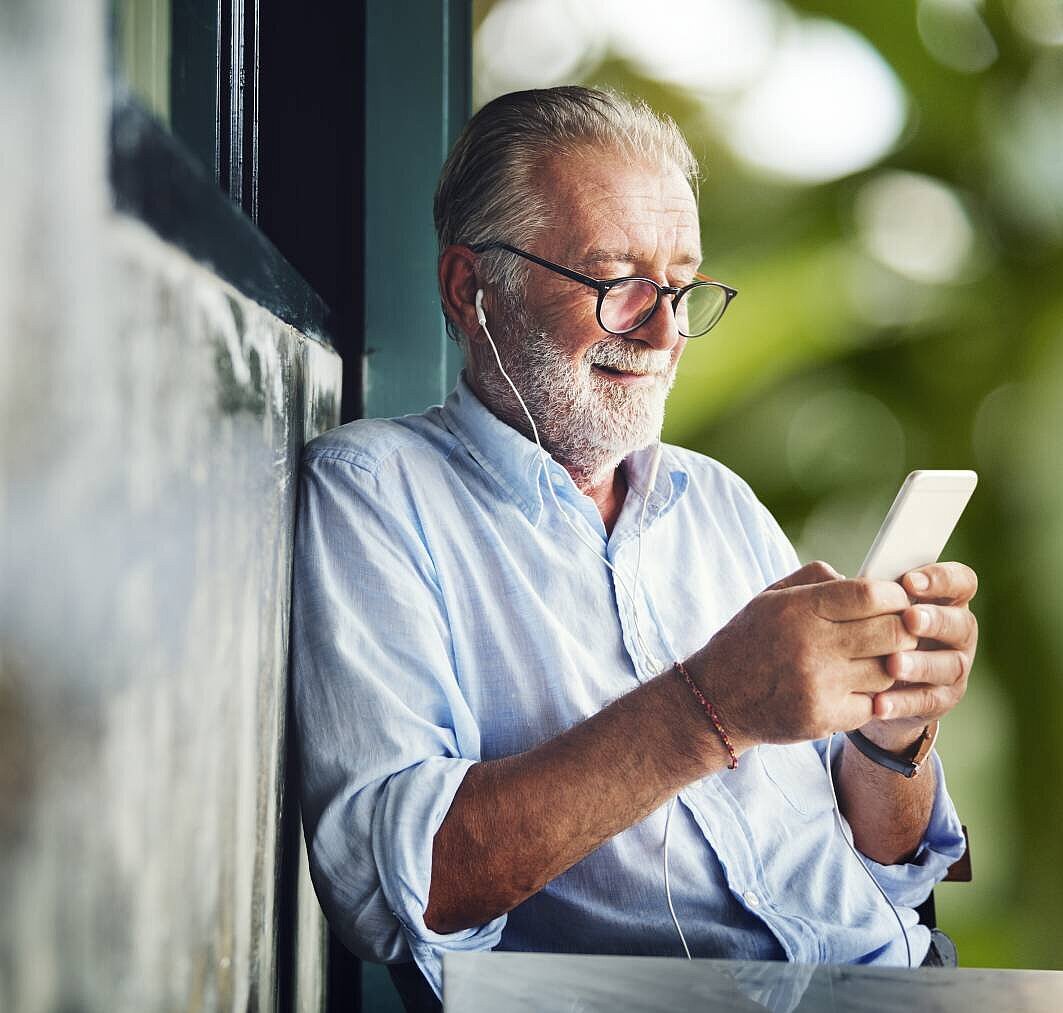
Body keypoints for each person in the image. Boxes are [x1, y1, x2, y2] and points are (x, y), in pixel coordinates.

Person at [290, 87, 974, 1004]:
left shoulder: (715, 499)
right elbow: (391, 893)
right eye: (617, 284)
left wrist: (892, 742)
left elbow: (892, 865)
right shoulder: (374, 491)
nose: (664, 332)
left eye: (682, 286)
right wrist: (712, 705)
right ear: (470, 288)